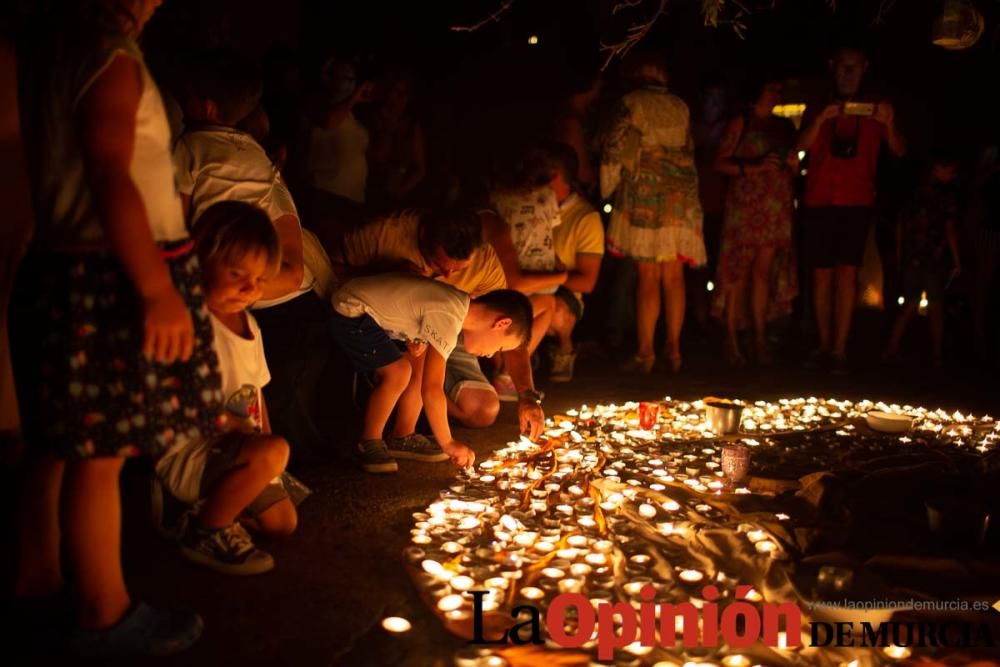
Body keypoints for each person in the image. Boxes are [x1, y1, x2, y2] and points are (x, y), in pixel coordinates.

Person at [11, 0, 222, 655]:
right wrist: (157, 290)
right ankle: (104, 611)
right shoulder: (108, 55)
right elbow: (110, 171)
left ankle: (34, 576)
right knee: (97, 456)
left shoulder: (47, 51)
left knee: (56, 442)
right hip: (114, 270)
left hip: (65, 262)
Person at [173, 50, 338, 467]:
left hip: (274, 303)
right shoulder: (257, 161)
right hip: (263, 294)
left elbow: (176, 225)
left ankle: (269, 476)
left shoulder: (189, 148)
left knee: (267, 410)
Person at [154, 202, 298, 574]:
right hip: (194, 452)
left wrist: (267, 452)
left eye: (260, 280)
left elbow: (258, 393)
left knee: (284, 523)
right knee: (273, 452)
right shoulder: (189, 322)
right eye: (236, 274)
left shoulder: (250, 325)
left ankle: (205, 512)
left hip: (236, 452)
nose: (249, 288)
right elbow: (176, 399)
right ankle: (205, 530)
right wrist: (263, 448)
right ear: (201, 258)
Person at [330, 207, 546, 439]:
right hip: (385, 324)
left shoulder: (485, 263)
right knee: (415, 356)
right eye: (438, 264)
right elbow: (331, 272)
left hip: (460, 329)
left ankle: (420, 417)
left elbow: (511, 328)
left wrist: (526, 395)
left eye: (459, 268)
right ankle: (403, 432)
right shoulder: (386, 234)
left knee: (481, 410)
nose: (447, 275)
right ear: (423, 236)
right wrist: (389, 277)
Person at [330, 274, 531, 473]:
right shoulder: (449, 316)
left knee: (421, 358)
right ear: (501, 323)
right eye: (501, 347)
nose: (491, 354)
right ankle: (369, 440)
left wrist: (413, 338)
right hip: (351, 310)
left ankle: (402, 436)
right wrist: (448, 442)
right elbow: (432, 389)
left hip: (366, 310)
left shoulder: (457, 305)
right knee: (399, 372)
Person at [797, 45, 905, 374]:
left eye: (854, 67)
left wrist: (888, 123)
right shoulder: (819, 105)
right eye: (843, 66)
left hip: (857, 200)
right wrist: (820, 120)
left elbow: (899, 149)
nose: (848, 72)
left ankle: (839, 349)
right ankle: (823, 344)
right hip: (819, 199)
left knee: (847, 275)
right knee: (821, 277)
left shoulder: (876, 108)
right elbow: (799, 147)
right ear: (833, 66)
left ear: (864, 67)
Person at [601, 51, 706, 374]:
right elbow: (690, 148)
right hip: (681, 200)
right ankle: (673, 350)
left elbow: (615, 148)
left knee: (648, 276)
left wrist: (607, 186)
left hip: (645, 195)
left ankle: (646, 351)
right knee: (674, 276)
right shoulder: (680, 105)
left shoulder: (631, 102)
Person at [712, 75, 799, 365]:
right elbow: (720, 161)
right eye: (771, 87)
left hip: (774, 206)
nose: (776, 92)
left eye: (779, 88)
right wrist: (755, 168)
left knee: (763, 272)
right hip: (746, 206)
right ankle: (731, 338)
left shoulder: (783, 127)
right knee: (738, 270)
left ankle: (760, 338)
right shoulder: (742, 121)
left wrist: (791, 166)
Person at [489, 146, 568, 370]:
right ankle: (508, 371)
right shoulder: (547, 196)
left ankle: (500, 367)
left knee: (505, 314)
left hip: (504, 273)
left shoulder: (496, 197)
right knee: (546, 306)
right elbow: (549, 231)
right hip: (540, 274)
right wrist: (558, 268)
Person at [884, 152, 961, 368]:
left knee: (910, 304)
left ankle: (892, 347)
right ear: (937, 168)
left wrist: (900, 253)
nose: (953, 176)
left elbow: (900, 224)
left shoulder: (913, 193)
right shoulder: (943, 196)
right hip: (931, 258)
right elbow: (949, 229)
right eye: (950, 171)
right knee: (935, 306)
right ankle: (936, 354)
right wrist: (957, 259)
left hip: (913, 257)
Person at [546, 142, 605, 381]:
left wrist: (553, 273)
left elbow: (587, 282)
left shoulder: (585, 218)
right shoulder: (528, 208)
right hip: (526, 283)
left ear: (556, 176)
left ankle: (564, 346)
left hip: (560, 291)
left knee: (551, 307)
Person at [300, 57, 372, 206]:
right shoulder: (315, 104)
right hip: (325, 195)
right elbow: (329, 121)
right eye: (345, 76)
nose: (351, 81)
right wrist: (354, 98)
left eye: (353, 78)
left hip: (353, 197)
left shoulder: (354, 115)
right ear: (327, 78)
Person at [367, 68, 426, 209]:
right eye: (397, 92)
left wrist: (400, 190)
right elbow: (376, 160)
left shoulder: (411, 126)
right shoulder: (371, 119)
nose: (402, 98)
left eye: (405, 93)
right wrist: (388, 129)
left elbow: (420, 168)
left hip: (396, 199)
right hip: (368, 193)